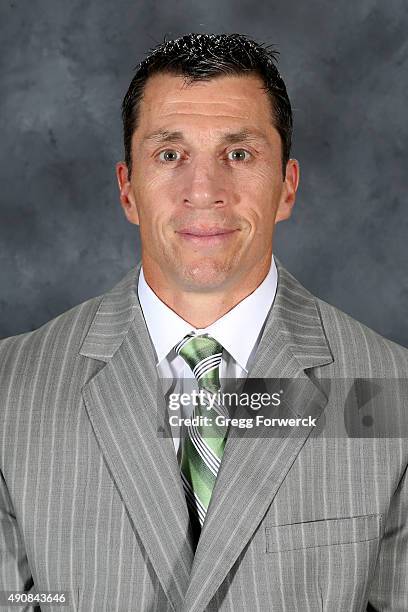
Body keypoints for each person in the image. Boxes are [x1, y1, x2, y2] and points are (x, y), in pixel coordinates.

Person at [0, 33, 407, 612]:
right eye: (171, 155)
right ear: (128, 190)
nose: (204, 191)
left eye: (238, 155)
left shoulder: (395, 395)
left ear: (287, 186)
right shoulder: (8, 390)